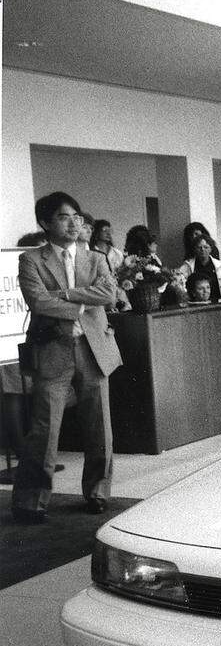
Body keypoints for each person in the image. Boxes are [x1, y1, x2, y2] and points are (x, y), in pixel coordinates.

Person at [11, 192, 122, 523]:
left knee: (100, 426)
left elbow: (109, 293)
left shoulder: (96, 258)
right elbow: (39, 302)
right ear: (45, 223)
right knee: (45, 428)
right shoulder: (32, 260)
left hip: (94, 350)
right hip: (53, 351)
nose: (74, 222)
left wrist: (64, 295)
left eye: (77, 216)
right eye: (64, 217)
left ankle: (98, 492)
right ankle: (31, 501)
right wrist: (81, 304)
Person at [178, 233, 221, 301]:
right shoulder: (187, 267)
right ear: (194, 249)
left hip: (217, 301)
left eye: (206, 247)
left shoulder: (220, 266)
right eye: (199, 247)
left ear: (210, 249)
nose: (202, 250)